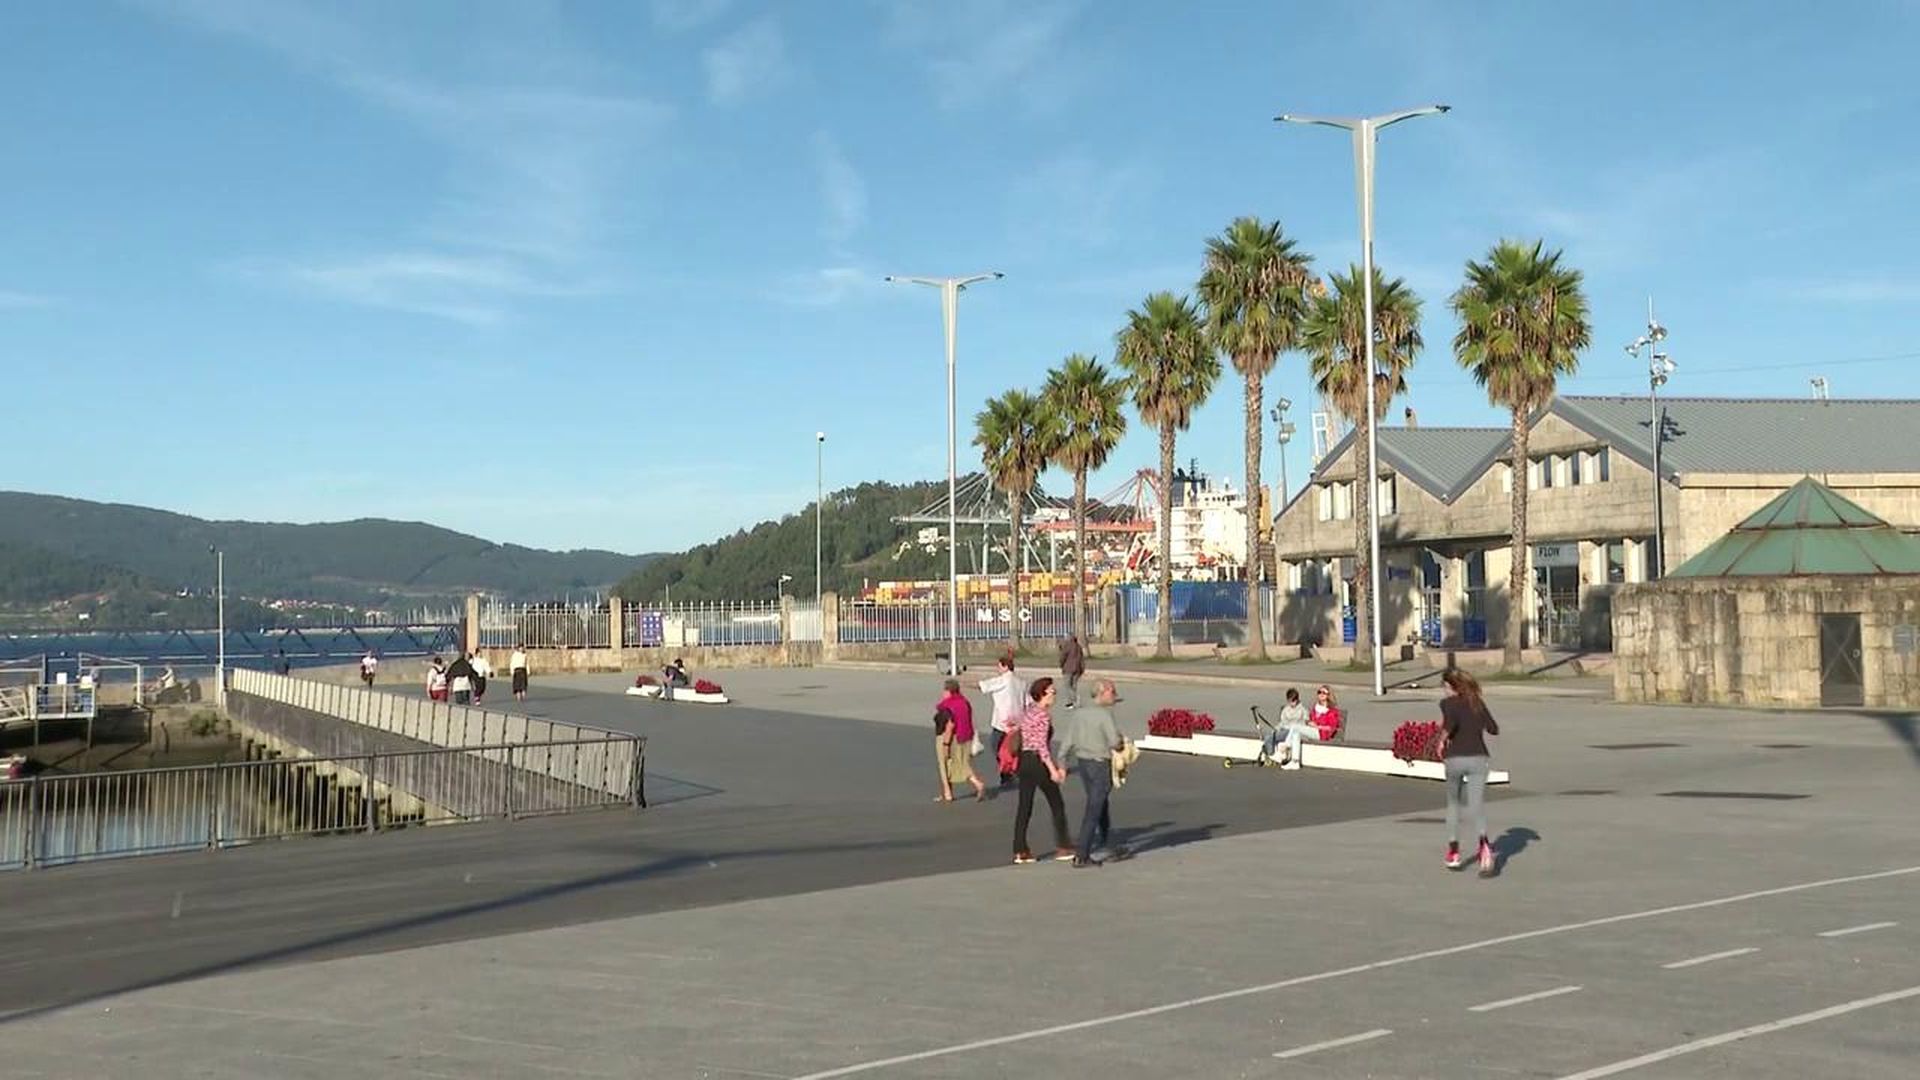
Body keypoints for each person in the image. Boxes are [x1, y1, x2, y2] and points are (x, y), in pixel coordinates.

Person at [1053, 678, 1130, 866]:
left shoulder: (1080, 714)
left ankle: (1108, 843)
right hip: (1100, 764)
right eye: (1112, 692)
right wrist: (1122, 743)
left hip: (1084, 764)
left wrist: (1062, 761)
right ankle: (1082, 854)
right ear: (1102, 693)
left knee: (1100, 804)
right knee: (1094, 808)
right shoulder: (1104, 715)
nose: (1115, 695)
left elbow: (1068, 741)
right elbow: (1114, 742)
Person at [1438, 668, 1501, 875]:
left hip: (1455, 758)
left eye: (1445, 687)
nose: (1444, 691)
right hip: (1478, 758)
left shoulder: (1448, 704)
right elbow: (1493, 728)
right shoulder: (1477, 702)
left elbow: (1450, 724)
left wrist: (1441, 740)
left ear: (1451, 687)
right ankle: (1484, 844)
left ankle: (1454, 852)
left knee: (1454, 804)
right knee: (1476, 805)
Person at [1010, 676, 1072, 864]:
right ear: (1043, 693)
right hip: (1038, 762)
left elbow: (1020, 728)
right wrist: (1052, 769)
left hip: (1024, 761)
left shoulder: (1029, 711)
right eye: (1052, 691)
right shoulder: (1044, 716)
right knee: (1056, 803)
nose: (1055, 695)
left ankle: (1020, 849)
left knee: (1024, 806)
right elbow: (1041, 746)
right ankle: (1063, 846)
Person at [934, 679, 986, 803]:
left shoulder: (947, 706)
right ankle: (974, 784)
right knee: (962, 763)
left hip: (948, 738)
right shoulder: (964, 702)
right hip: (964, 737)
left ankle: (948, 792)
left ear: (948, 691)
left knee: (944, 764)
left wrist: (946, 744)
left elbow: (949, 726)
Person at [978, 655, 1026, 786]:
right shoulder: (1021, 682)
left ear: (1005, 666)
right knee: (1014, 748)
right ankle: (1012, 771)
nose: (997, 669)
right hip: (1018, 721)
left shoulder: (1003, 680)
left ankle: (1007, 772)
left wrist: (962, 684)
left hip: (1002, 722)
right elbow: (1026, 701)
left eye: (999, 666)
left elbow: (983, 686)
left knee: (996, 746)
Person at [1264, 687, 1312, 767]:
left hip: (1296, 732)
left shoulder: (1303, 710)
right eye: (1290, 701)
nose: (1292, 703)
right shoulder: (1285, 710)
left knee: (1271, 738)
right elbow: (1282, 723)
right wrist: (1275, 729)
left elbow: (1306, 723)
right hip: (1285, 731)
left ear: (1297, 699)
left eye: (1293, 701)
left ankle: (1275, 757)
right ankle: (1272, 755)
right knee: (1268, 737)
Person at [1058, 633, 1086, 708]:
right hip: (1077, 668)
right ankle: (1071, 702)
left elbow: (1063, 656)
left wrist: (1061, 664)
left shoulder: (1067, 646)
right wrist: (1082, 668)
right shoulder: (1078, 647)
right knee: (1073, 686)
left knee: (1067, 685)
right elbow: (1082, 659)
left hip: (1068, 668)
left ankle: (1074, 699)